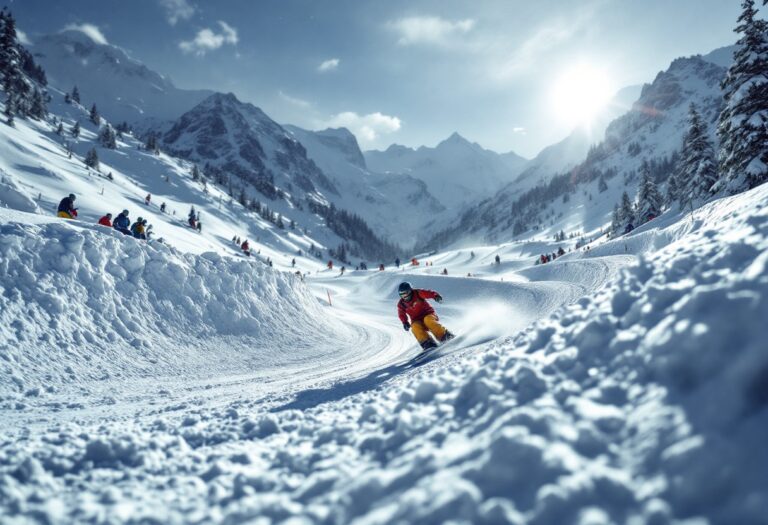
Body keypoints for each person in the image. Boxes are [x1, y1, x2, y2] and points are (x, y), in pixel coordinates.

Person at [397, 282, 454, 351]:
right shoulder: (401, 304)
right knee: (414, 327)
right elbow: (401, 314)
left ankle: (444, 336)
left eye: (405, 293)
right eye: (401, 295)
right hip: (417, 320)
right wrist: (405, 322)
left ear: (410, 291)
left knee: (428, 320)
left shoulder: (418, 293)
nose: (404, 296)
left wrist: (436, 296)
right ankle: (427, 343)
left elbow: (429, 293)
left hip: (428, 314)